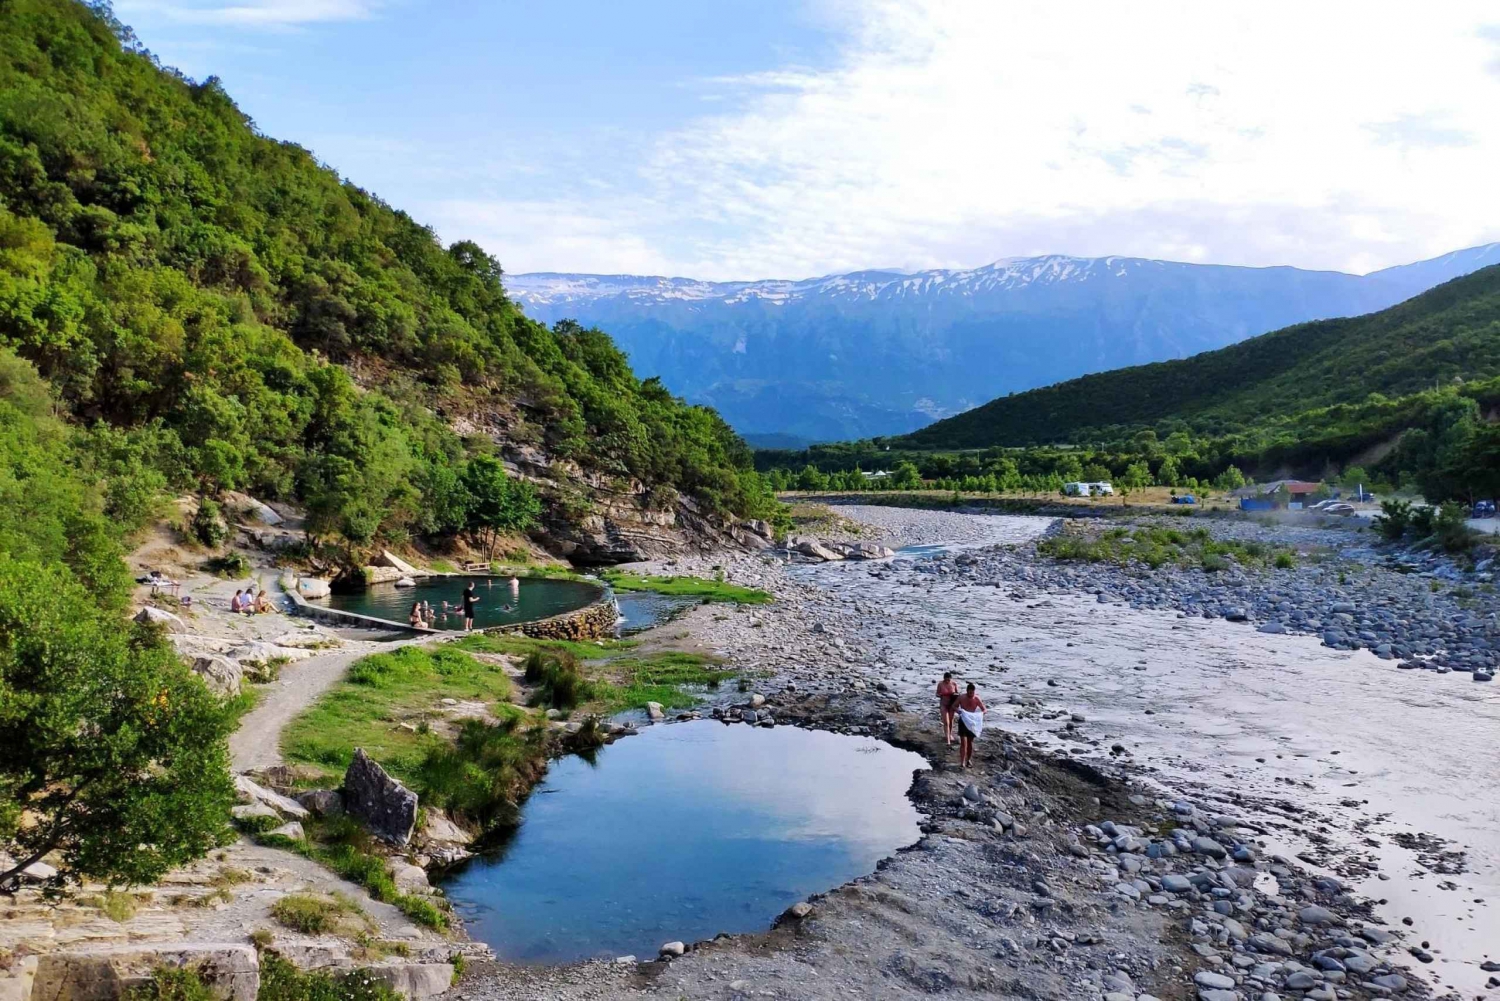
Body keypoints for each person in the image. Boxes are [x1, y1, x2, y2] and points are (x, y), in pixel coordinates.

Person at [954, 683, 987, 769]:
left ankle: (968, 760)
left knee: (970, 743)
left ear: (974, 692)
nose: (970, 694)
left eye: (972, 693)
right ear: (967, 691)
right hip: (963, 720)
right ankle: (962, 762)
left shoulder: (976, 698)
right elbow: (954, 706)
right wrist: (959, 711)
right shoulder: (961, 697)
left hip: (972, 721)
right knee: (963, 743)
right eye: (969, 693)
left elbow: (984, 709)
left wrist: (980, 714)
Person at [936, 672, 960, 745]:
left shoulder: (954, 684)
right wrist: (941, 694)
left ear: (950, 679)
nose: (947, 681)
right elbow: (937, 694)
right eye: (946, 680)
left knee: (951, 720)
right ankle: (947, 737)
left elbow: (958, 694)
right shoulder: (940, 684)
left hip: (952, 705)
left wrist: (954, 695)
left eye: (948, 680)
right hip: (944, 704)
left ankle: (950, 734)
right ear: (944, 679)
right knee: (946, 722)